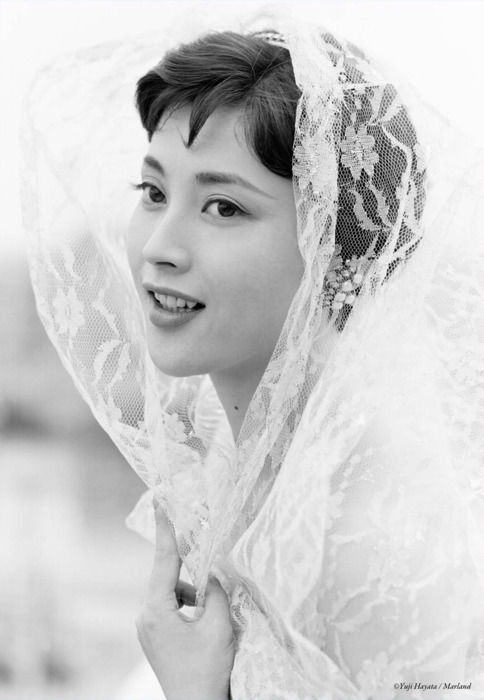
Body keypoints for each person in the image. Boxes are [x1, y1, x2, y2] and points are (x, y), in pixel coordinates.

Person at [23, 10, 483, 700]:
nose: (159, 246)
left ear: (331, 246)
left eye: (224, 208)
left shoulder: (376, 545)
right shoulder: (241, 452)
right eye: (153, 193)